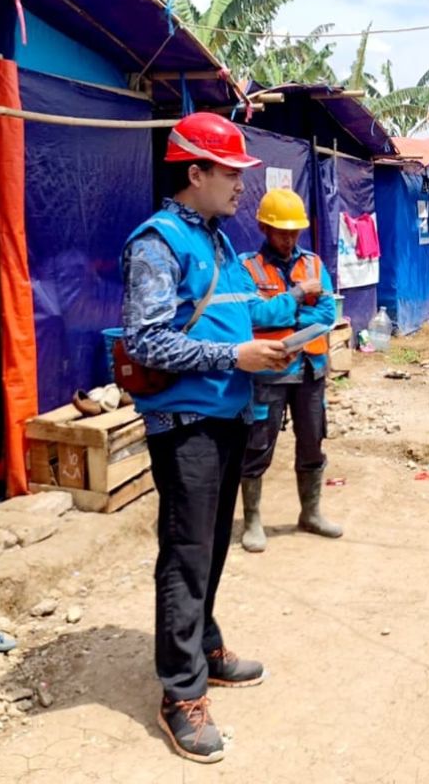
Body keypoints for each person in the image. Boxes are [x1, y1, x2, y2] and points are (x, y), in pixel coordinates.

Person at [120, 112, 299, 764]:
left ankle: (206, 644)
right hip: (185, 424)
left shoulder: (219, 243)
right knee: (187, 554)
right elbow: (147, 340)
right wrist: (236, 360)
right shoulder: (157, 244)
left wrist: (294, 318)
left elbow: (242, 312)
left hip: (227, 416)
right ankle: (181, 693)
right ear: (195, 172)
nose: (241, 188)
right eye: (231, 174)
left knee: (212, 546)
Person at [238, 189, 340, 553]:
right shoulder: (246, 267)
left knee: (313, 441)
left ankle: (310, 513)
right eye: (282, 231)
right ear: (264, 227)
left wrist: (283, 315)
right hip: (269, 372)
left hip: (311, 370)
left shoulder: (313, 264)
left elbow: (328, 316)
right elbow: (253, 316)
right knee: (258, 445)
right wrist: (298, 297)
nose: (289, 238)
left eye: (295, 231)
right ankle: (252, 520)